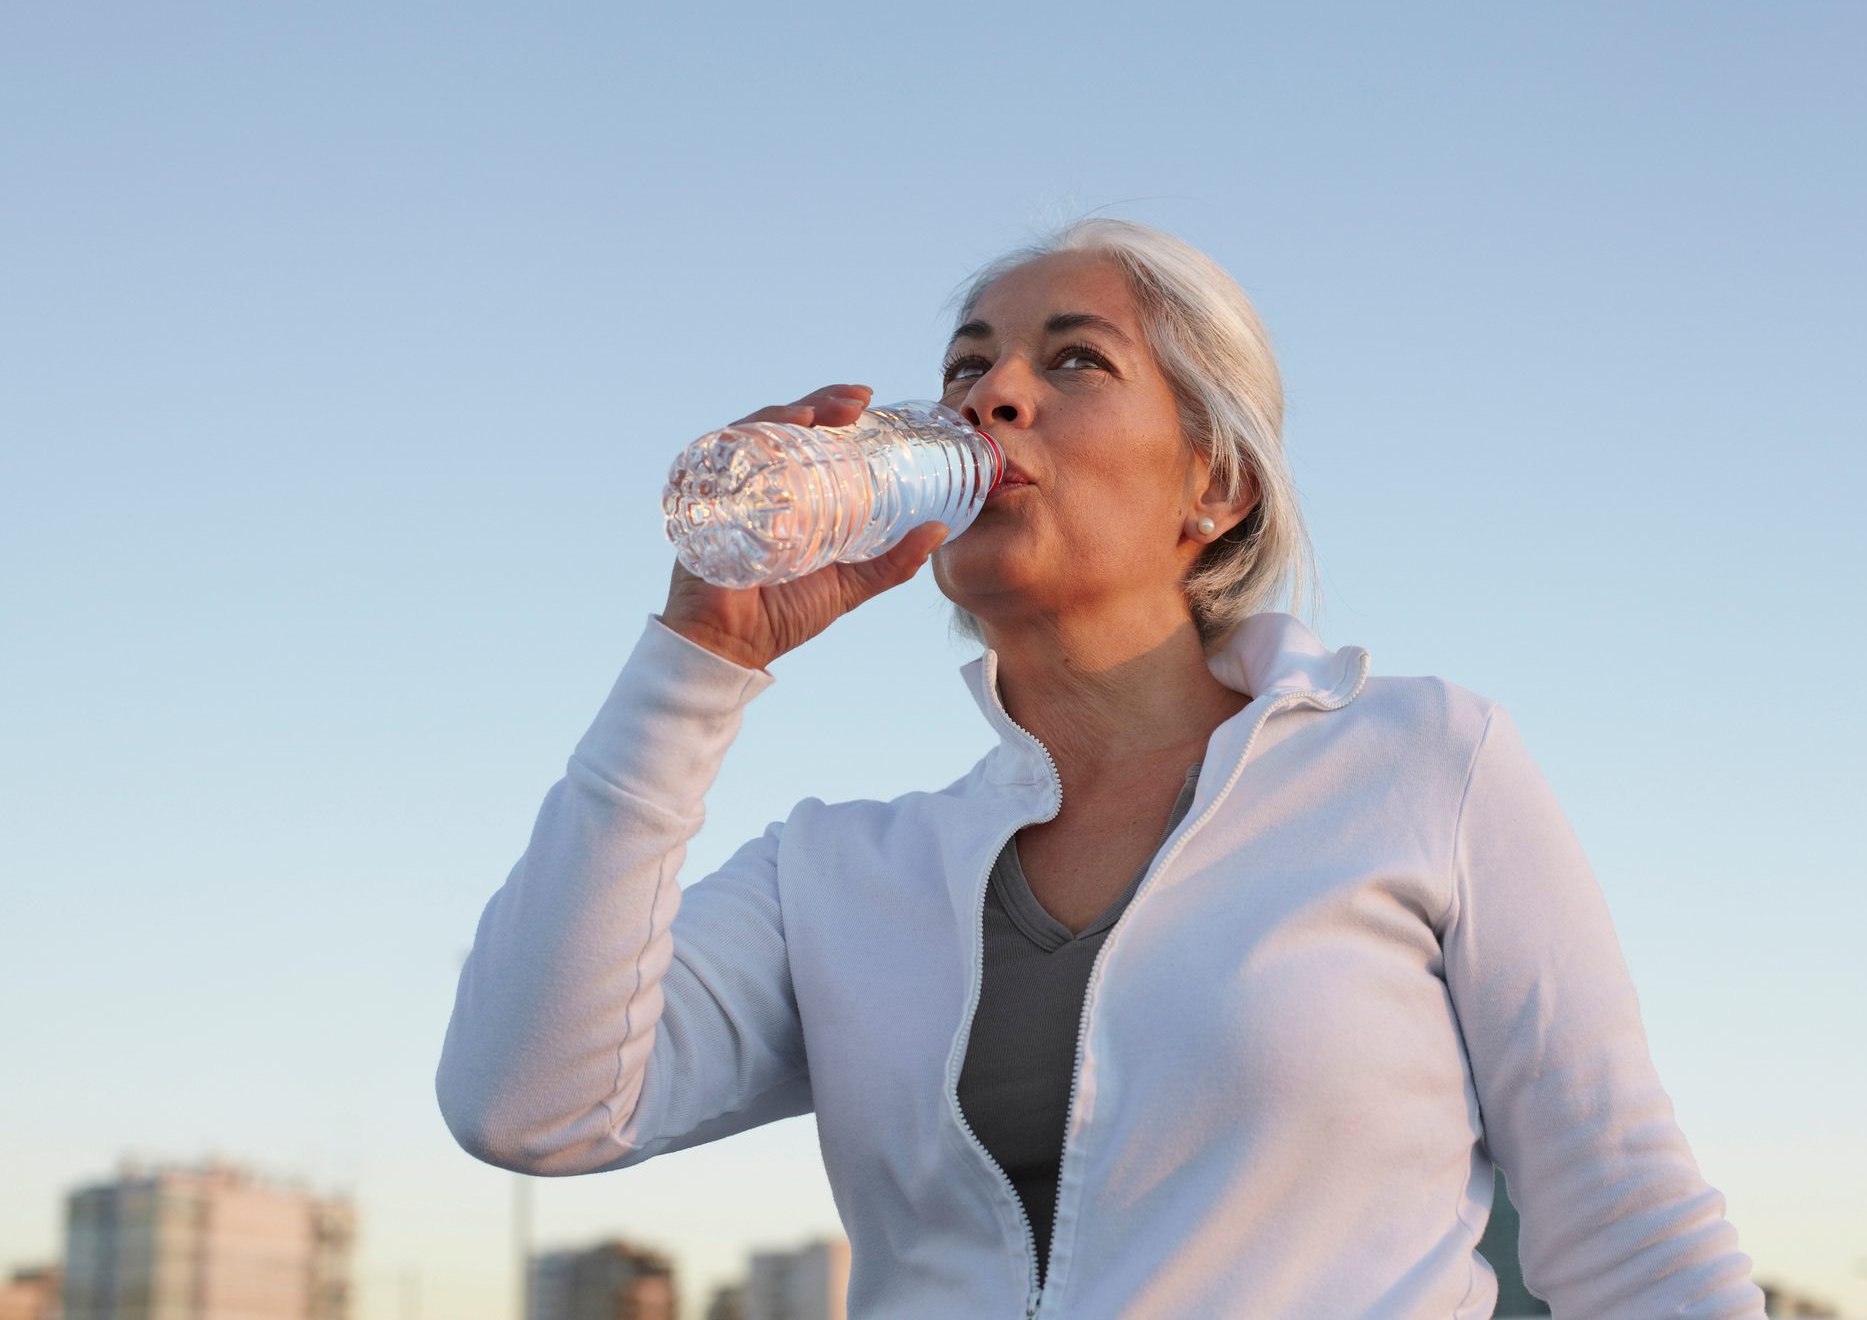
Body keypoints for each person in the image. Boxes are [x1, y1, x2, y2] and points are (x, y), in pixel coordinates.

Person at [436, 219, 1769, 1318]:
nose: (989, 395)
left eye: (1072, 362)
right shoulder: (836, 872)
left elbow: (1633, 1235)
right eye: (968, 367)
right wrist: (700, 655)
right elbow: (528, 1100)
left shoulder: (1417, 763)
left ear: (1215, 484)